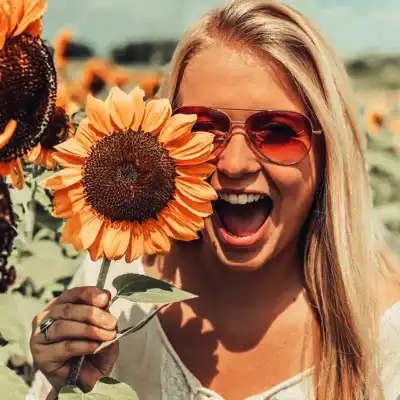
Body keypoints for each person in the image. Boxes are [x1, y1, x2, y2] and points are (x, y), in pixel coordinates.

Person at [29, 1, 400, 399]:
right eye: (202, 128)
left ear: (330, 150)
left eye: (277, 131)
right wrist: (68, 387)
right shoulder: (115, 279)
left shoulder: (382, 333)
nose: (235, 164)